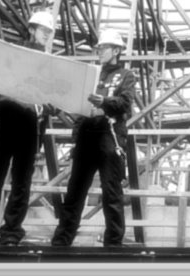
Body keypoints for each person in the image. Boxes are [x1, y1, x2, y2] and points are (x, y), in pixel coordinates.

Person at [0, 10, 56, 246]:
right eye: (43, 31)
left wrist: (53, 105)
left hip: (29, 122)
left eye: (49, 33)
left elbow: (55, 101)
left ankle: (11, 233)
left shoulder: (50, 64)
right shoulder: (10, 53)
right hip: (7, 116)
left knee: (21, 183)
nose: (47, 36)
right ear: (31, 29)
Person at [51, 29, 136, 247]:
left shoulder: (126, 75)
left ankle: (113, 246)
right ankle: (61, 242)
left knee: (112, 193)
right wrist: (76, 137)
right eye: (98, 48)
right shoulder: (91, 75)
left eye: (103, 48)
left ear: (116, 50)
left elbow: (126, 103)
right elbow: (78, 106)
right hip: (87, 136)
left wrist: (105, 102)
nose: (99, 51)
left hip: (109, 136)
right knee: (74, 192)